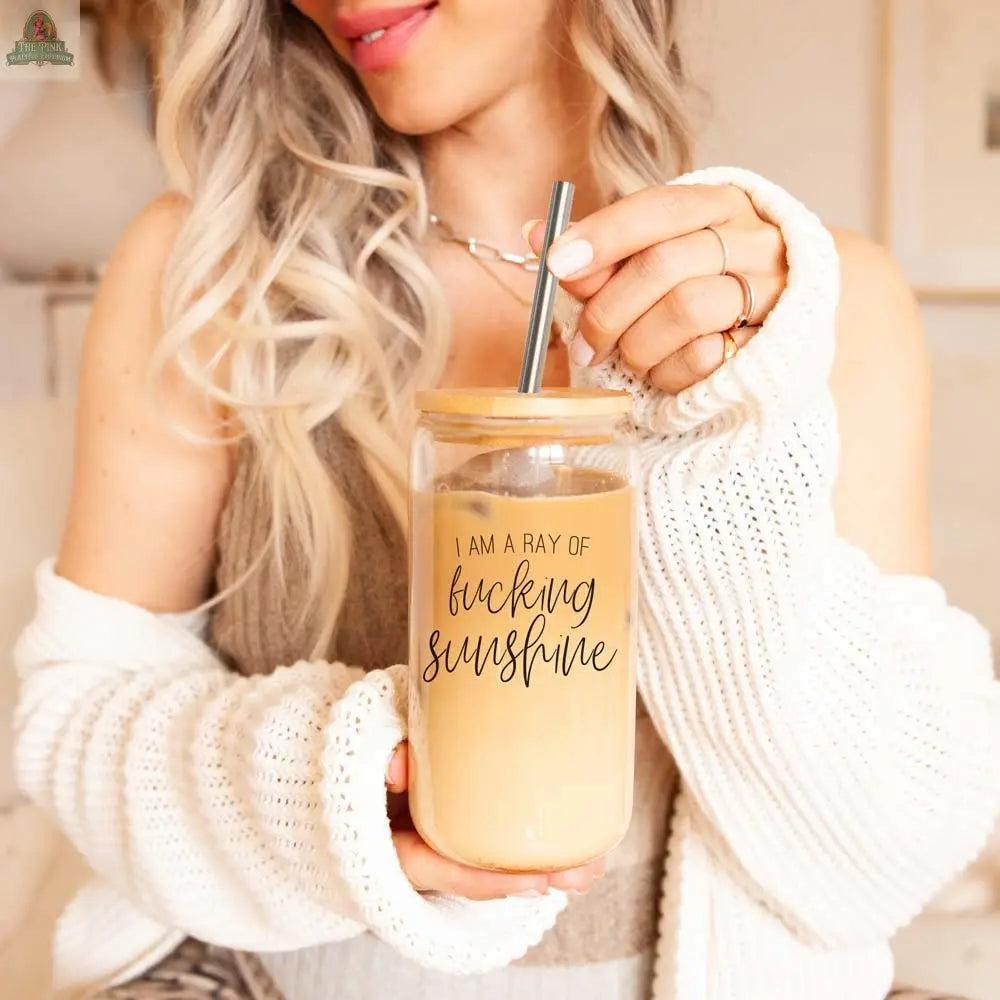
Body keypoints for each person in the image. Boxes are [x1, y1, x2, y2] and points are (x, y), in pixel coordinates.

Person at [13, 1, 999, 999]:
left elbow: (880, 856)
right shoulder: (214, 272)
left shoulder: (809, 309)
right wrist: (330, 791)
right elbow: (72, 717)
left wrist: (719, 460)